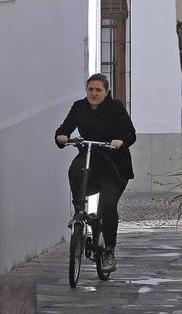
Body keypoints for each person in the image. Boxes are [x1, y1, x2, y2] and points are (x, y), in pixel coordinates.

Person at [55, 73, 136, 272]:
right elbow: (65, 127)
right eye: (90, 89)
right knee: (75, 169)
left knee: (107, 206)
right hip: (90, 157)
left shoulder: (115, 108)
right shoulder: (79, 106)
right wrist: (61, 136)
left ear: (106, 92)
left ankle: (109, 251)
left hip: (114, 163)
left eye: (98, 90)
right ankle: (79, 210)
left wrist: (120, 141)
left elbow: (130, 133)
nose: (94, 93)